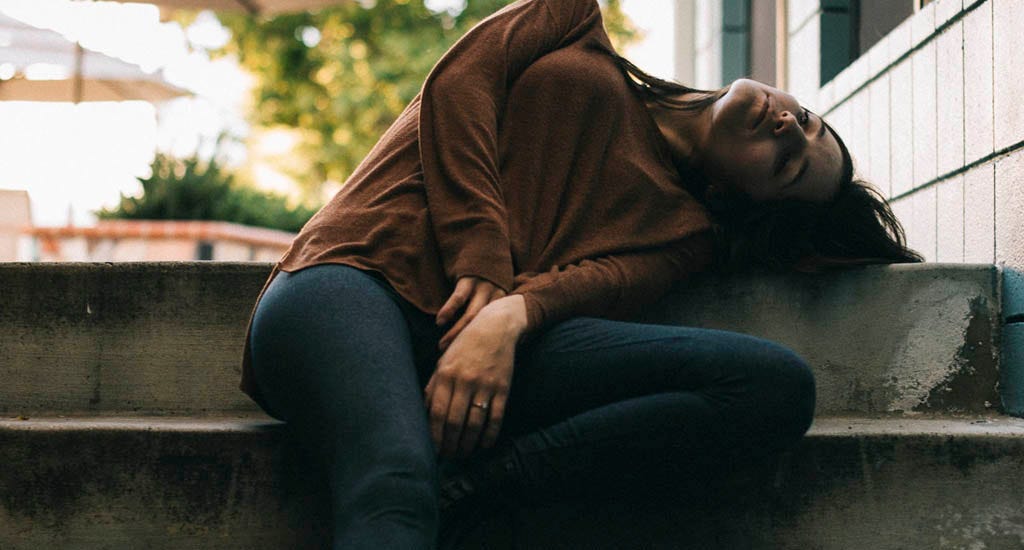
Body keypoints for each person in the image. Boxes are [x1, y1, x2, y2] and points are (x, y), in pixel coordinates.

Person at [241, 0, 922, 548]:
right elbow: (460, 83)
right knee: (393, 484)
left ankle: (482, 488)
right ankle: (430, 484)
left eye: (788, 162)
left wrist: (509, 318)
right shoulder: (575, 19)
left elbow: (593, 285)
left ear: (739, 200)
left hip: (491, 351)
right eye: (804, 119)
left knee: (776, 385)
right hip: (352, 280)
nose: (787, 126)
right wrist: (482, 261)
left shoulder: (685, 234)